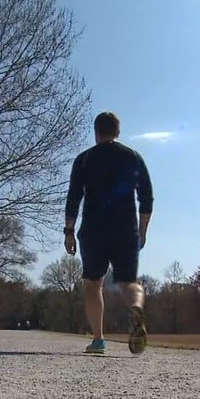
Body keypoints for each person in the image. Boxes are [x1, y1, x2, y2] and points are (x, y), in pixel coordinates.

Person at [64, 111, 154, 355]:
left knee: (93, 284)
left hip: (93, 229)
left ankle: (98, 339)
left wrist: (69, 231)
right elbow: (146, 197)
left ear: (96, 132)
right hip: (125, 229)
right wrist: (142, 231)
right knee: (128, 283)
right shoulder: (133, 157)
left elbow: (74, 198)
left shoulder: (84, 159)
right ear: (118, 132)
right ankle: (136, 307)